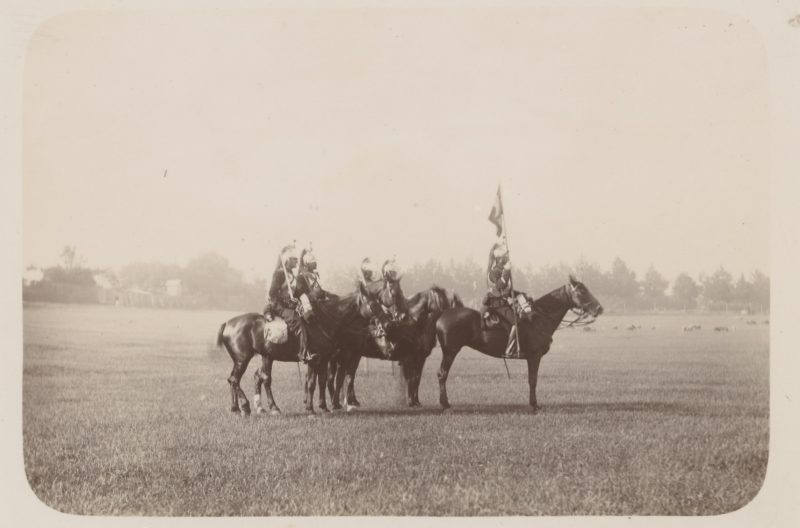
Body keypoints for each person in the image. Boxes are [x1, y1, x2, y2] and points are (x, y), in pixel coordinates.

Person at [263, 243, 315, 362]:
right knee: (299, 323)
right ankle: (303, 353)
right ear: (286, 260)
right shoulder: (280, 274)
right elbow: (272, 293)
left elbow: (294, 292)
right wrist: (286, 302)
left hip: (290, 305)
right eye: (294, 260)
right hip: (279, 306)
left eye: (297, 260)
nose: (296, 262)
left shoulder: (291, 274)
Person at [482, 240, 520, 358]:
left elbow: (506, 289)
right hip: (497, 304)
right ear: (499, 259)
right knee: (516, 322)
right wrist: (507, 270)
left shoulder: (501, 270)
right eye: (505, 257)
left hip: (502, 303)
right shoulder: (494, 272)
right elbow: (500, 285)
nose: (507, 259)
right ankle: (509, 350)